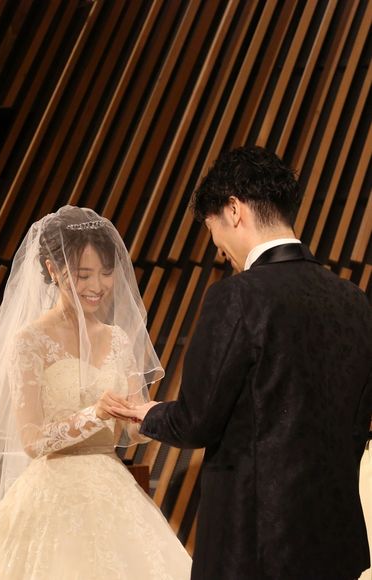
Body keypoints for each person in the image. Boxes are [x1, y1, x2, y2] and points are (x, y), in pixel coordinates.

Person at [112, 146, 372, 579]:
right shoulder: (355, 301)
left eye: (212, 229)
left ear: (233, 210)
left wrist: (149, 413)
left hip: (255, 547)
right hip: (334, 544)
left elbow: (196, 421)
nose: (218, 248)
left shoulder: (238, 295)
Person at [0, 206, 192, 579]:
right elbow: (32, 441)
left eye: (106, 273)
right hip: (52, 492)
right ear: (52, 269)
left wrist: (146, 416)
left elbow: (130, 430)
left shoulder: (118, 339)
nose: (97, 286)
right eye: (83, 274)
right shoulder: (29, 341)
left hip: (113, 488)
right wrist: (94, 413)